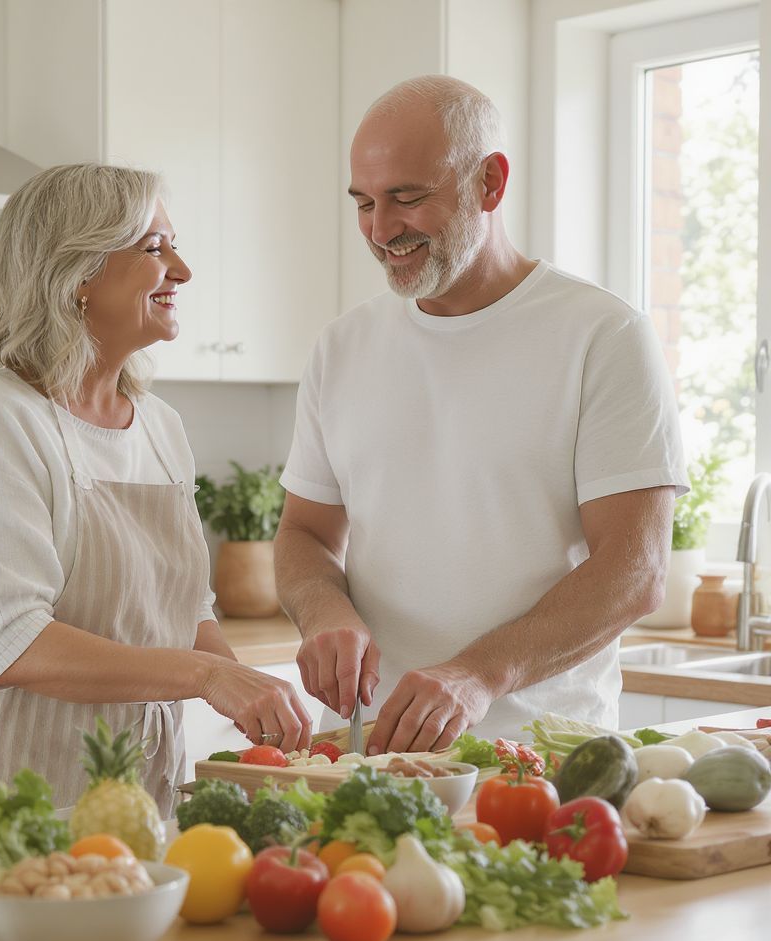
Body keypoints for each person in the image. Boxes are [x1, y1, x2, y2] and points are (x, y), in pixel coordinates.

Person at [274, 75, 688, 755]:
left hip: (540, 756)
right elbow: (305, 534)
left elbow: (634, 571)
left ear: (490, 184)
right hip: (366, 751)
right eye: (364, 203)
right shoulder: (342, 347)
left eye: (408, 198)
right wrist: (324, 612)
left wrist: (477, 675)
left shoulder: (602, 336)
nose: (381, 230)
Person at [0, 163, 311, 817]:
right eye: (153, 248)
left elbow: (188, 612)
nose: (182, 270)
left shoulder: (161, 426)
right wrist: (210, 677)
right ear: (77, 272)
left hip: (131, 792)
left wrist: (255, 702)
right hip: (0, 795)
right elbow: (15, 640)